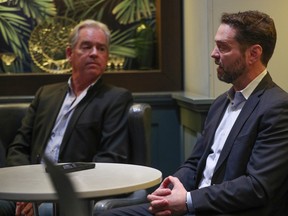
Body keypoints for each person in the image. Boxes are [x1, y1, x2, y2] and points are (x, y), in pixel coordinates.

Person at [99, 10, 288, 216]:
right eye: (216, 45)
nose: (214, 54)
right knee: (105, 214)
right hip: (193, 205)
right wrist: (171, 190)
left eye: (223, 47)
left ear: (253, 54)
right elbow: (194, 163)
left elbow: (257, 187)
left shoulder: (277, 107)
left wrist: (188, 201)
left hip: (225, 210)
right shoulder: (220, 103)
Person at [0, 19, 133, 215]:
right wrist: (25, 191)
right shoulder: (45, 94)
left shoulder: (115, 99)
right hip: (27, 189)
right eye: (87, 46)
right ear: (69, 54)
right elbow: (19, 147)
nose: (95, 53)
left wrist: (49, 193)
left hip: (70, 194)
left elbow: (109, 160)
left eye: (101, 48)